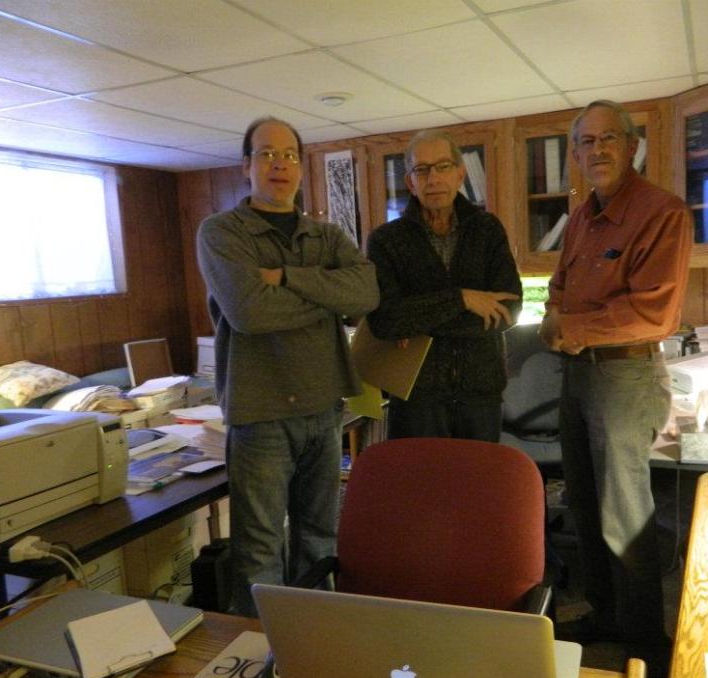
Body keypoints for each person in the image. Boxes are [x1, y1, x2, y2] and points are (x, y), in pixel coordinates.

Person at [196, 116, 379, 617]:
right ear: (246, 166)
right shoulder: (221, 232)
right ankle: (259, 659)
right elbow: (250, 313)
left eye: (291, 155)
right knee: (259, 550)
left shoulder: (324, 235)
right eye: (267, 153)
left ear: (302, 167)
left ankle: (314, 644)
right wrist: (324, 296)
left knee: (319, 538)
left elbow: (366, 293)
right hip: (261, 418)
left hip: (324, 411)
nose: (280, 163)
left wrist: (286, 278)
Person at [539, 100, 692, 678]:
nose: (595, 150)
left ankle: (647, 642)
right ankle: (605, 616)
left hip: (625, 378)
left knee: (625, 515)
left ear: (631, 146)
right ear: (575, 154)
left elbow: (652, 312)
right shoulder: (580, 218)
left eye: (607, 139)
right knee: (584, 500)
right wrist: (558, 317)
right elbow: (557, 285)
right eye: (584, 142)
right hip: (579, 377)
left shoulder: (661, 212)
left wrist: (569, 327)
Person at [366, 130, 521, 442]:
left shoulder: (488, 230)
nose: (432, 178)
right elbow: (386, 320)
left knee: (477, 488)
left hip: (481, 395)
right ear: (410, 182)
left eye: (443, 166)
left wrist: (419, 321)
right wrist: (462, 299)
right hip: (415, 397)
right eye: (421, 170)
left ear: (460, 174)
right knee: (423, 489)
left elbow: (508, 310)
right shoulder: (386, 240)